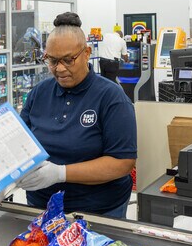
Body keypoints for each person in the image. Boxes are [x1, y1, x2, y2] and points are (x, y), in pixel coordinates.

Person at [17, 12, 137, 218]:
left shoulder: (111, 97)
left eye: (68, 60)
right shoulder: (40, 93)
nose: (60, 69)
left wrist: (60, 173)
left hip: (96, 211)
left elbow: (122, 162)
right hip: (41, 206)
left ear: (87, 53)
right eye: (52, 61)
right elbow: (19, 140)